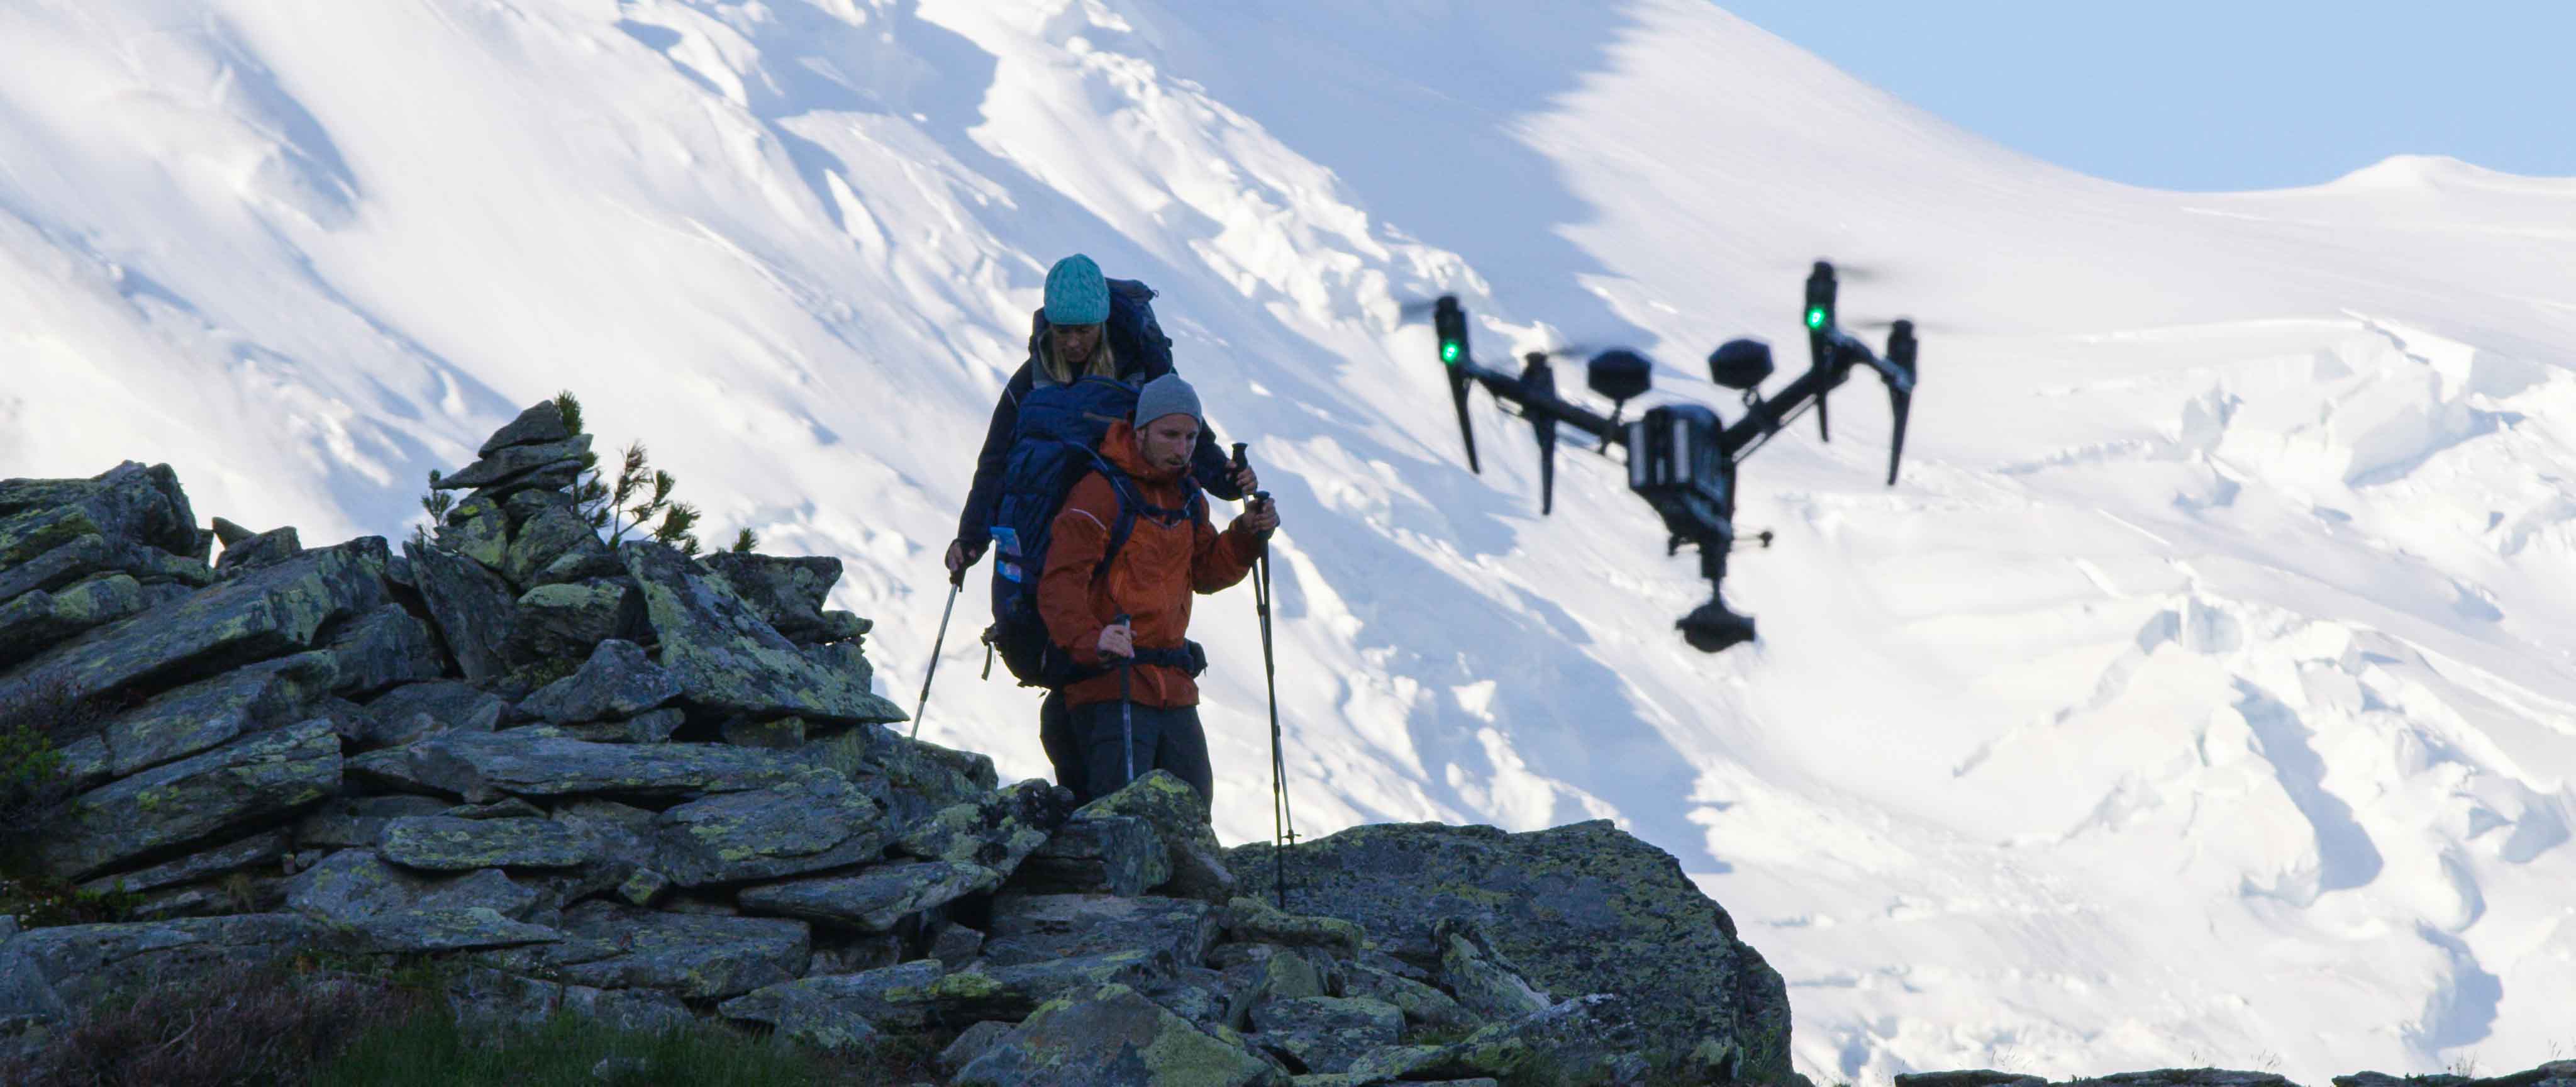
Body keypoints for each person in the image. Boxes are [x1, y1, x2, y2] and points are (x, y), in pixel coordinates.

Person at [946, 254, 1255, 798]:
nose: (1072, 344)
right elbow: (994, 462)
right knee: (1070, 630)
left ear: (1102, 324)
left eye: (1083, 332)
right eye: (1062, 332)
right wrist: (970, 538)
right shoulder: (1033, 379)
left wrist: (1226, 483)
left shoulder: (1136, 366)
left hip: (1119, 539)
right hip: (1065, 533)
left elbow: (1184, 436)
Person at [1035, 373, 1277, 810]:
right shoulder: (1098, 492)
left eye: (1190, 436)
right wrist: (1094, 640)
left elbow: (1203, 572)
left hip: (1173, 684)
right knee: (1122, 821)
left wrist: (1244, 534)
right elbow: (1060, 583)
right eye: (1170, 434)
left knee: (1191, 816)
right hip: (1110, 683)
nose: (1182, 448)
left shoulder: (1187, 495)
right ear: (1140, 429)